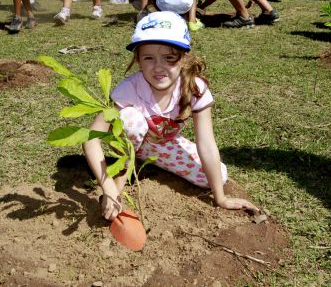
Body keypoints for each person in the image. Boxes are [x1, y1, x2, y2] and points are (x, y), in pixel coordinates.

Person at [83, 11, 259, 221]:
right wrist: (108, 188)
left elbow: (207, 144)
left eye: (169, 58)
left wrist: (220, 197)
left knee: (216, 176)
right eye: (149, 58)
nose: (158, 67)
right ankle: (124, 170)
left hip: (162, 144)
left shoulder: (194, 88)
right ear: (138, 59)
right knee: (130, 119)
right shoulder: (129, 89)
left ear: (183, 58)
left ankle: (145, 161)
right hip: (128, 143)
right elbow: (91, 138)